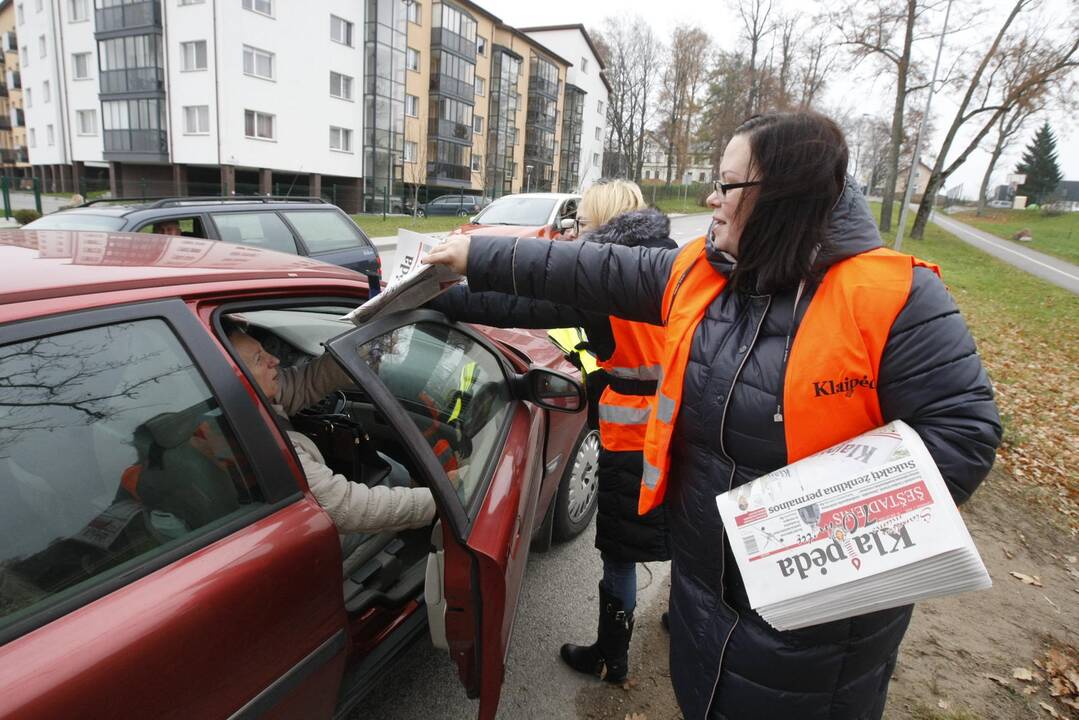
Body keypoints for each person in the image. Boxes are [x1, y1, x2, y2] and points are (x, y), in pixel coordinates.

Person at [423, 111, 1002, 719]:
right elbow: (582, 271)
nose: (710, 199)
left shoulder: (896, 297)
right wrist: (467, 257)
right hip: (704, 602)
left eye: (726, 185)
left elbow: (962, 441)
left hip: (812, 629)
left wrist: (791, 534)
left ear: (779, 195)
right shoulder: (704, 272)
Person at [428, 179, 673, 683]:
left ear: (602, 221)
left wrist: (446, 303)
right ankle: (684, 619)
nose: (573, 231)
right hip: (686, 426)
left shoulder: (602, 284)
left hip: (635, 435)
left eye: (581, 221)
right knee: (684, 533)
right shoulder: (671, 262)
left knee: (622, 552)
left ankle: (611, 657)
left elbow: (521, 306)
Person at [226, 325, 436, 534]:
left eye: (265, 351)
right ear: (234, 380)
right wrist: (440, 501)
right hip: (316, 536)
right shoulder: (260, 444)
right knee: (388, 476)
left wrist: (369, 346)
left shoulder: (238, 405)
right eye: (259, 359)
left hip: (301, 511)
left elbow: (306, 382)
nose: (275, 360)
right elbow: (348, 510)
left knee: (384, 463)